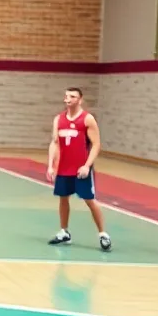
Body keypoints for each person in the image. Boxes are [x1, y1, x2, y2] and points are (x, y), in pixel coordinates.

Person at [46, 87, 111, 251]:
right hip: (63, 168)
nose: (68, 99)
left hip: (81, 169)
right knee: (63, 198)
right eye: (66, 96)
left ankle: (103, 234)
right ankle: (64, 232)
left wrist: (87, 166)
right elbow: (54, 142)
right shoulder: (58, 119)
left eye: (73, 96)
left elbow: (96, 144)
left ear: (80, 100)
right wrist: (51, 165)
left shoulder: (87, 119)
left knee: (89, 200)